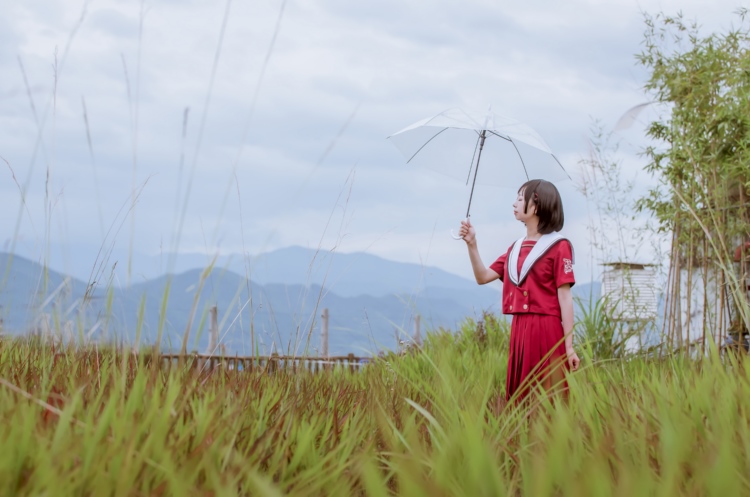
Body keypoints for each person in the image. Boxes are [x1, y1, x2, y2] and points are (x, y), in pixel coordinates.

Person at [458, 179, 580, 403]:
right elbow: (482, 277)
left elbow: (565, 297)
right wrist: (472, 245)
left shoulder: (558, 246)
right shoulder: (515, 249)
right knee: (520, 399)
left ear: (537, 205)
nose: (514, 203)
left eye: (520, 198)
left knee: (548, 398)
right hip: (520, 330)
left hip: (547, 329)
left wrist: (569, 346)